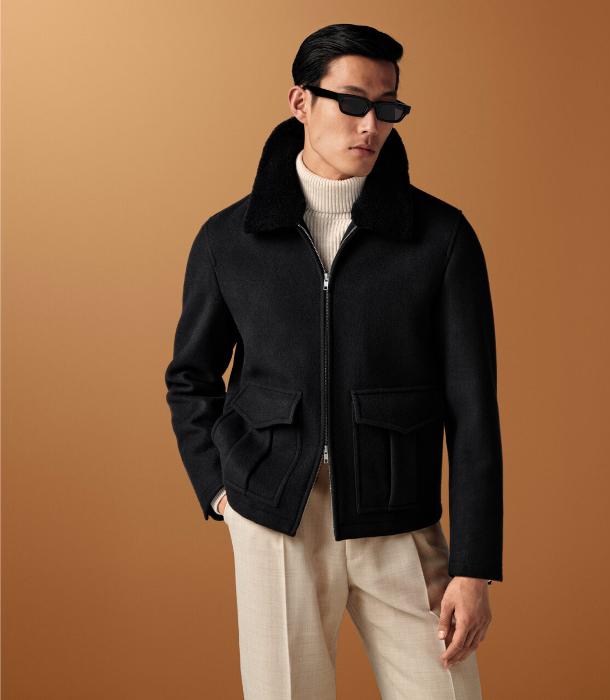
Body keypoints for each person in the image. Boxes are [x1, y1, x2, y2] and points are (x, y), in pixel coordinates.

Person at [164, 22, 503, 699]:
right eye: (351, 103)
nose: (370, 125)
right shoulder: (228, 240)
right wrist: (223, 492)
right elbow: (190, 378)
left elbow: (472, 409)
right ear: (301, 102)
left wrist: (473, 566)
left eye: (387, 108)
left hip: (398, 519)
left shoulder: (440, 237)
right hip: (275, 519)